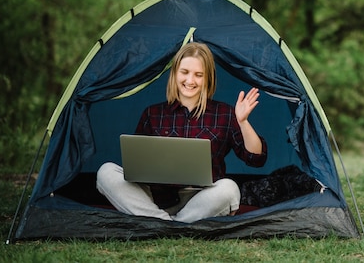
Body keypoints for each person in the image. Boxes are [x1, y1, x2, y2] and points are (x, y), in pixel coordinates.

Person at [96, 42, 267, 222]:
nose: (190, 81)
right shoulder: (152, 114)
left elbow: (256, 159)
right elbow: (137, 167)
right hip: (155, 199)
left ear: (207, 78)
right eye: (184, 72)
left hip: (201, 200)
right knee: (105, 172)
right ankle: (169, 223)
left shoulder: (225, 114)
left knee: (229, 189)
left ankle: (158, 223)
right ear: (175, 73)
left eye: (198, 75)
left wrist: (243, 122)